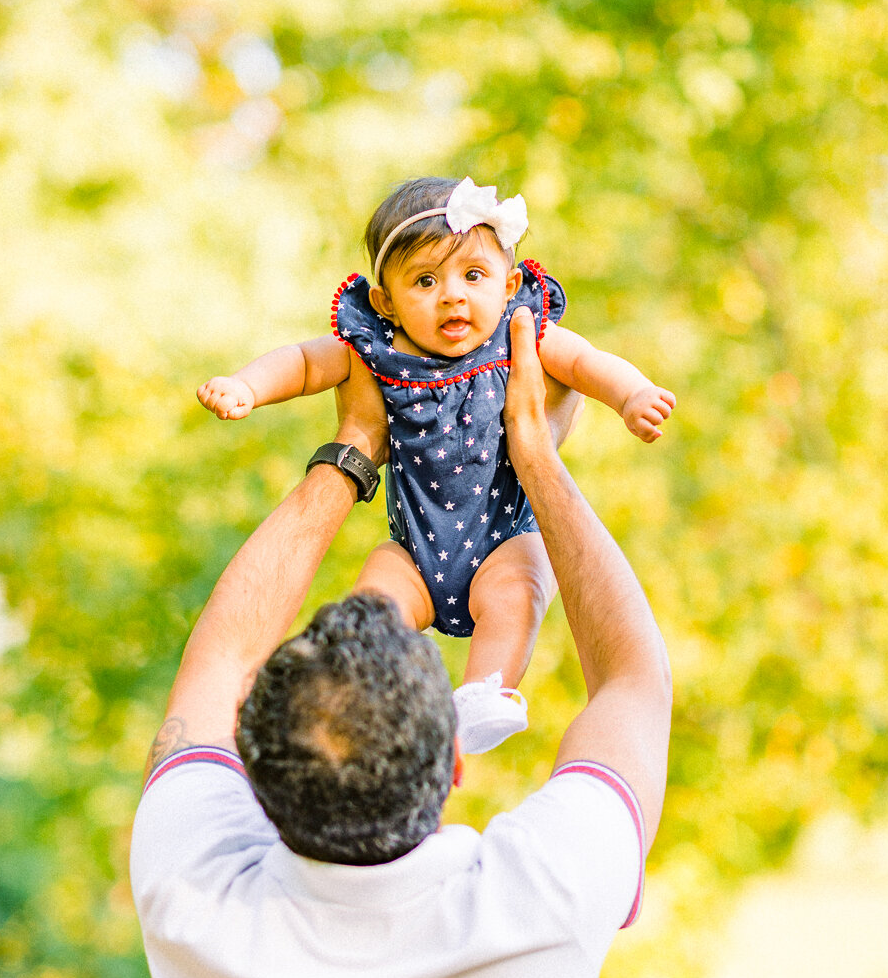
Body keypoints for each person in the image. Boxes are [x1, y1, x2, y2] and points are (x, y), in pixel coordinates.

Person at [132, 307, 672, 978]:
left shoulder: (188, 889)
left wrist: (352, 446)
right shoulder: (543, 894)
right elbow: (633, 680)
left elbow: (218, 659)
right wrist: (536, 459)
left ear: (251, 773)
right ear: (455, 766)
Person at [196, 175, 676, 753]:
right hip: (415, 553)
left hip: (503, 537)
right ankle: (367, 697)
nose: (452, 295)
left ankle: (482, 694)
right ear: (385, 302)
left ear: (509, 282)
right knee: (373, 602)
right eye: (425, 280)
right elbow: (301, 362)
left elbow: (588, 363)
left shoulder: (518, 334)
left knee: (519, 588)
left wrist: (632, 397)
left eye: (473, 276)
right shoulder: (381, 351)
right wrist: (247, 385)